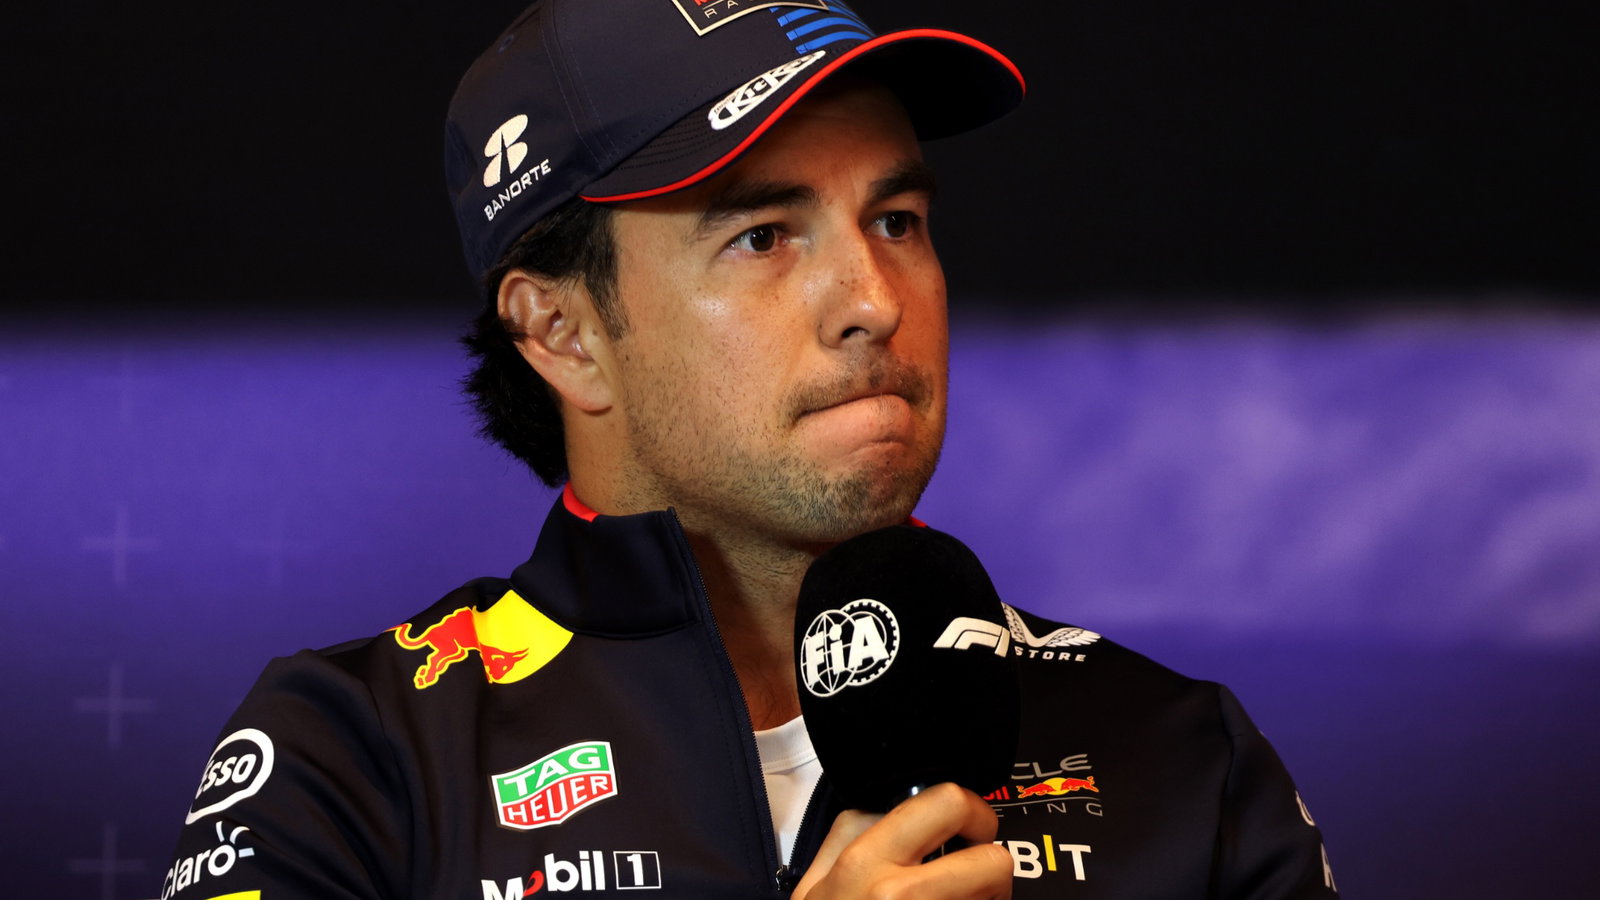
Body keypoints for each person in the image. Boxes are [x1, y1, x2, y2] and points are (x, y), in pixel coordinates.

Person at [161, 2, 1337, 898]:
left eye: (896, 220)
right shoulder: (358, 754)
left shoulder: (1178, 752)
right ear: (562, 334)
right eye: (765, 235)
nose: (871, 298)